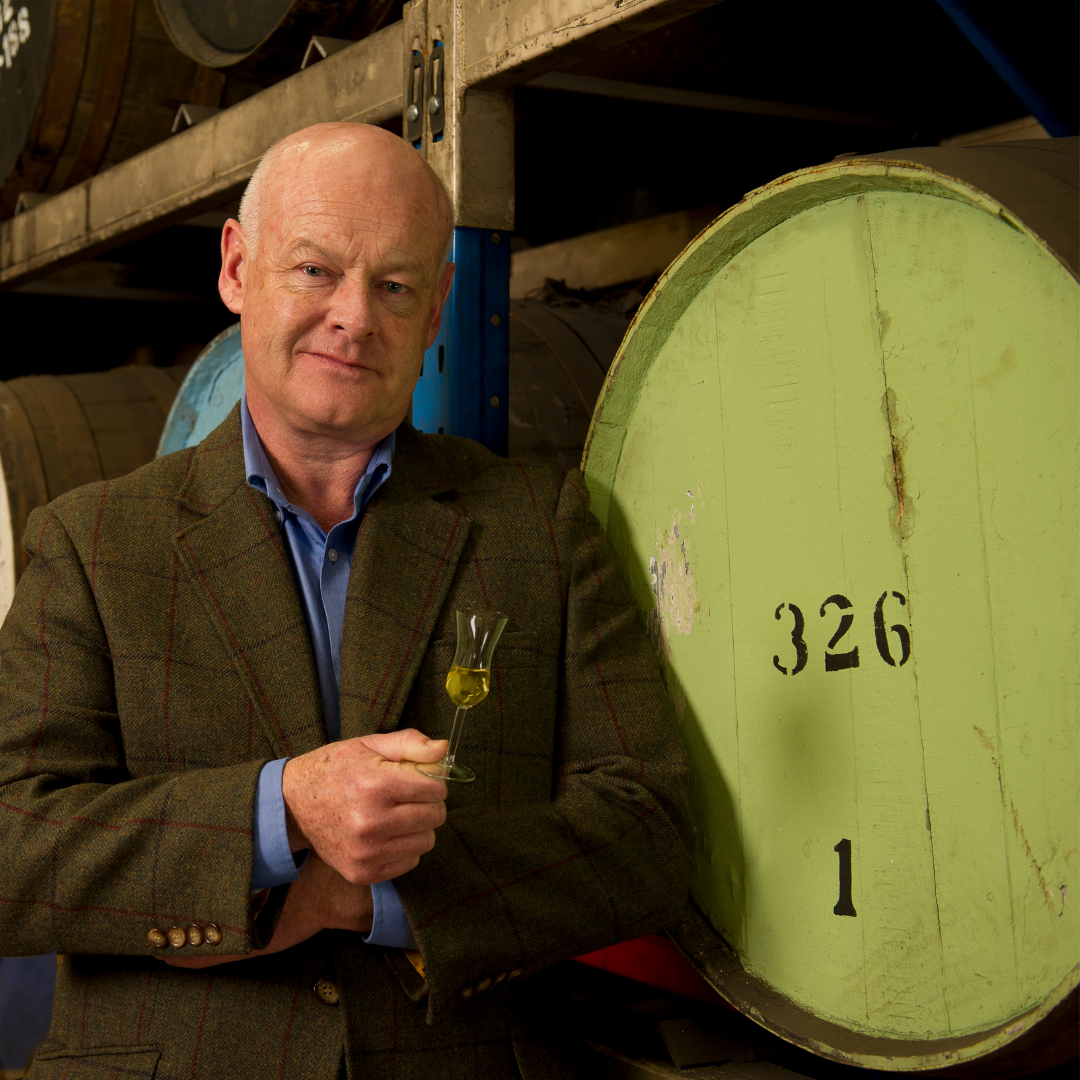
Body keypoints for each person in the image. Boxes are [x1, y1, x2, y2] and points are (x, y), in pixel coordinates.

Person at [0, 122, 691, 1079]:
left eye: (395, 286)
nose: (355, 318)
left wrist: (363, 898)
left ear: (438, 306)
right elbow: (13, 846)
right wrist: (281, 810)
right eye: (315, 271)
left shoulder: (540, 523)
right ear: (237, 269)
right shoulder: (93, 541)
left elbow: (651, 831)